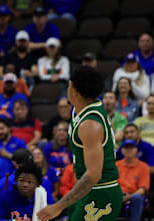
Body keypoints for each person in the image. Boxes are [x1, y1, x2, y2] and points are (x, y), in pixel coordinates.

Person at [37, 67, 123, 221]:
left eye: (69, 85)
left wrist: (58, 206)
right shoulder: (81, 110)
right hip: (88, 191)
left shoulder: (90, 124)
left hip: (100, 193)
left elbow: (93, 175)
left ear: (74, 92)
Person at [116, 139, 149, 221]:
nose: (128, 150)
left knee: (137, 198)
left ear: (136, 150)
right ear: (122, 150)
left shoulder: (143, 166)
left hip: (133, 195)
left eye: (131, 147)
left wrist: (129, 196)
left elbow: (143, 189)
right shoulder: (116, 165)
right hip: (118, 195)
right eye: (126, 148)